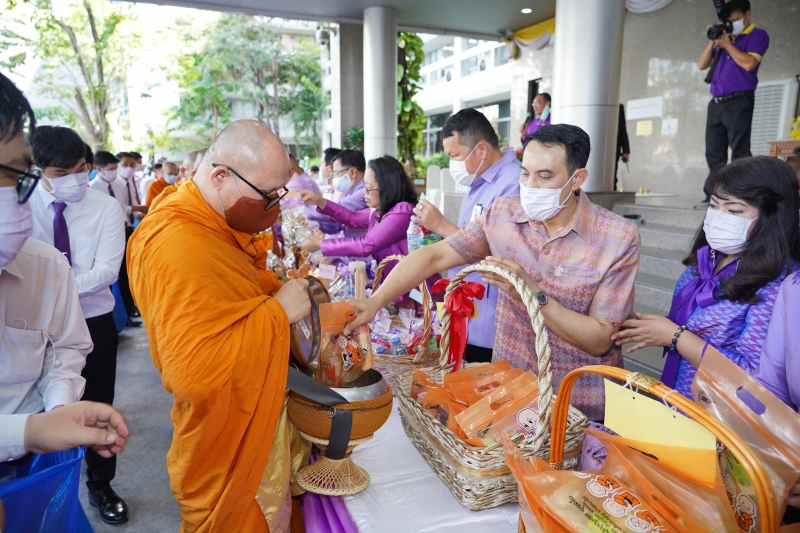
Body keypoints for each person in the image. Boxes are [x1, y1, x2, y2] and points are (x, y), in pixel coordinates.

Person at [346, 125, 641, 421]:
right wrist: (375, 302)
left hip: (576, 404)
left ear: (577, 179)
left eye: (545, 175)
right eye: (525, 173)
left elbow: (601, 339)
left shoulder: (617, 236)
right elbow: (435, 255)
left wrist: (530, 292)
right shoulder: (503, 213)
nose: (530, 186)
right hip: (510, 392)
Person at [128, 119, 311, 532]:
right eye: (268, 196)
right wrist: (277, 314)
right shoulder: (179, 244)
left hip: (248, 412)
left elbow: (235, 292)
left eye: (280, 193)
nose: (275, 207)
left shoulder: (209, 221)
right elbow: (195, 375)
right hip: (221, 438)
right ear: (220, 176)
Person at [613, 157, 800, 399]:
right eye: (713, 206)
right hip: (680, 402)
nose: (719, 217)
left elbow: (755, 376)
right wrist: (652, 329)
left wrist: (674, 336)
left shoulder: (779, 286)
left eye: (733, 210)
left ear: (772, 216)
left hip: (723, 420)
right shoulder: (704, 263)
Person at [27, 125, 130, 524]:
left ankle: (101, 485)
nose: (74, 180)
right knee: (39, 406)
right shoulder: (22, 207)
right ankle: (43, 489)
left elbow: (105, 272)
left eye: (80, 169)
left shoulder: (104, 206)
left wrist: (49, 285)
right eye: (60, 173)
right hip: (33, 327)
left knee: (98, 405)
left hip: (92, 323)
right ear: (38, 172)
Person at [411, 108, 521, 363]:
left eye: (455, 155)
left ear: (481, 150)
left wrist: (441, 224)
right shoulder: (479, 181)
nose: (453, 164)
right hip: (467, 307)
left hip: (490, 317)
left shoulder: (511, 184)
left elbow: (498, 251)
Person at [298, 155, 438, 301]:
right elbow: (352, 218)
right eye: (364, 186)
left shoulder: (402, 210)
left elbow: (367, 244)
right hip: (396, 281)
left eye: (369, 188)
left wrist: (320, 244)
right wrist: (320, 201)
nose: (364, 193)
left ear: (387, 187)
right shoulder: (380, 210)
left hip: (414, 287)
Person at [695, 0, 769, 209]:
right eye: (729, 20)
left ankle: (741, 195)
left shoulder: (757, 35)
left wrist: (728, 44)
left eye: (736, 19)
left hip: (739, 99)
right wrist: (714, 39)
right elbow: (701, 65)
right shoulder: (725, 37)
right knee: (714, 154)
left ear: (747, 15)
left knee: (739, 151)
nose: (732, 23)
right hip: (716, 103)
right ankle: (713, 196)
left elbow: (749, 64)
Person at [304, 149, 368, 238]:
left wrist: (302, 212)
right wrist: (313, 224)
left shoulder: (365, 192)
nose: (335, 178)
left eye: (337, 173)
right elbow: (338, 224)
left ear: (353, 172)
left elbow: (338, 210)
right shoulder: (351, 190)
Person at [614, 104, 630, 191]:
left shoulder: (618, 107)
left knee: (612, 175)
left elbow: (622, 129)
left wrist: (625, 151)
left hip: (613, 147)